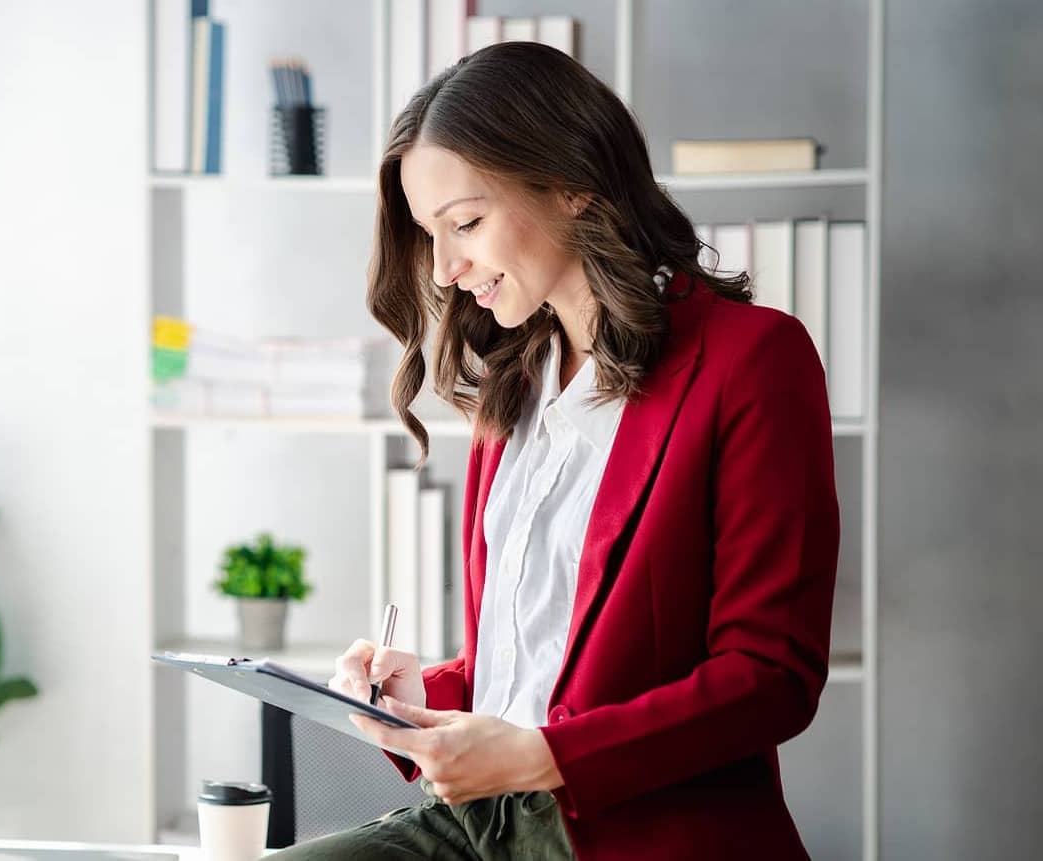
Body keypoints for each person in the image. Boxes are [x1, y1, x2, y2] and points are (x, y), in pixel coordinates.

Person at [273, 41, 840, 861]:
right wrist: (418, 697)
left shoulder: (753, 359)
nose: (443, 268)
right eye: (430, 235)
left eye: (465, 223)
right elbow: (539, 660)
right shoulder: (513, 389)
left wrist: (548, 757)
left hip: (628, 832)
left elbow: (772, 675)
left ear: (574, 184)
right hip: (481, 820)